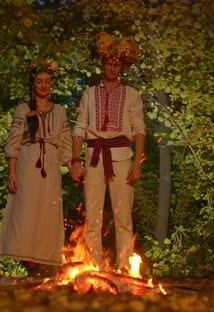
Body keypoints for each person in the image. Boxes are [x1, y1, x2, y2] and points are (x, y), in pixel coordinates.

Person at [70, 32, 146, 272]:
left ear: (121, 66)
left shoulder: (132, 95)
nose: (112, 67)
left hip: (122, 156)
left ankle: (124, 268)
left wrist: (138, 162)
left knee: (123, 217)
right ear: (102, 63)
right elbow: (79, 128)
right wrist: (75, 160)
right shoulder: (89, 94)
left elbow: (139, 130)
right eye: (108, 62)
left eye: (116, 63)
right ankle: (94, 268)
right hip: (93, 158)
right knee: (92, 217)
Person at [0, 61, 73, 278]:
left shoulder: (59, 111)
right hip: (28, 163)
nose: (44, 85)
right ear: (32, 83)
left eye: (48, 82)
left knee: (47, 211)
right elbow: (14, 141)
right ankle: (29, 265)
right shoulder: (23, 108)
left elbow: (65, 142)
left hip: (50, 164)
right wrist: (12, 172)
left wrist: (74, 165)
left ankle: (43, 265)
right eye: (39, 81)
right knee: (26, 212)